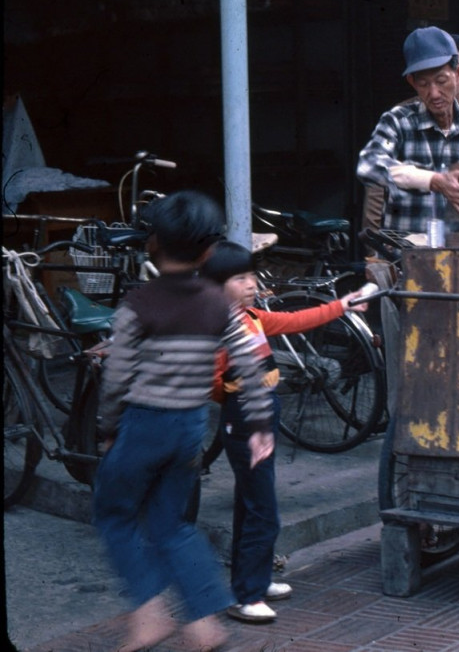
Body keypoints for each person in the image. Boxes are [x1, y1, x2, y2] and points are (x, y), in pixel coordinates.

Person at [92, 191, 274, 651]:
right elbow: (249, 364)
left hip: (145, 424)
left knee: (114, 513)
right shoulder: (218, 304)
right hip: (191, 427)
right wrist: (258, 427)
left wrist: (107, 428)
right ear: (209, 251)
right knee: (172, 525)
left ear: (152, 243)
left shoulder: (139, 304)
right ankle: (203, 623)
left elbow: (117, 377)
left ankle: (150, 613)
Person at [199, 241, 368, 623]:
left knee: (253, 500)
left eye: (251, 276)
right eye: (239, 278)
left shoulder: (251, 317)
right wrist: (236, 395)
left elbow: (295, 321)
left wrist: (341, 306)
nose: (251, 284)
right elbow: (207, 379)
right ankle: (248, 593)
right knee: (263, 509)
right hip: (247, 421)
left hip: (262, 416)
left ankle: (253, 575)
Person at [357, 26, 459, 236]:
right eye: (423, 84)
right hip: (404, 256)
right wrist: (433, 181)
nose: (434, 93)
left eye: (441, 81)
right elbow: (368, 165)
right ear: (412, 82)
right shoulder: (398, 122)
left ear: (458, 73)